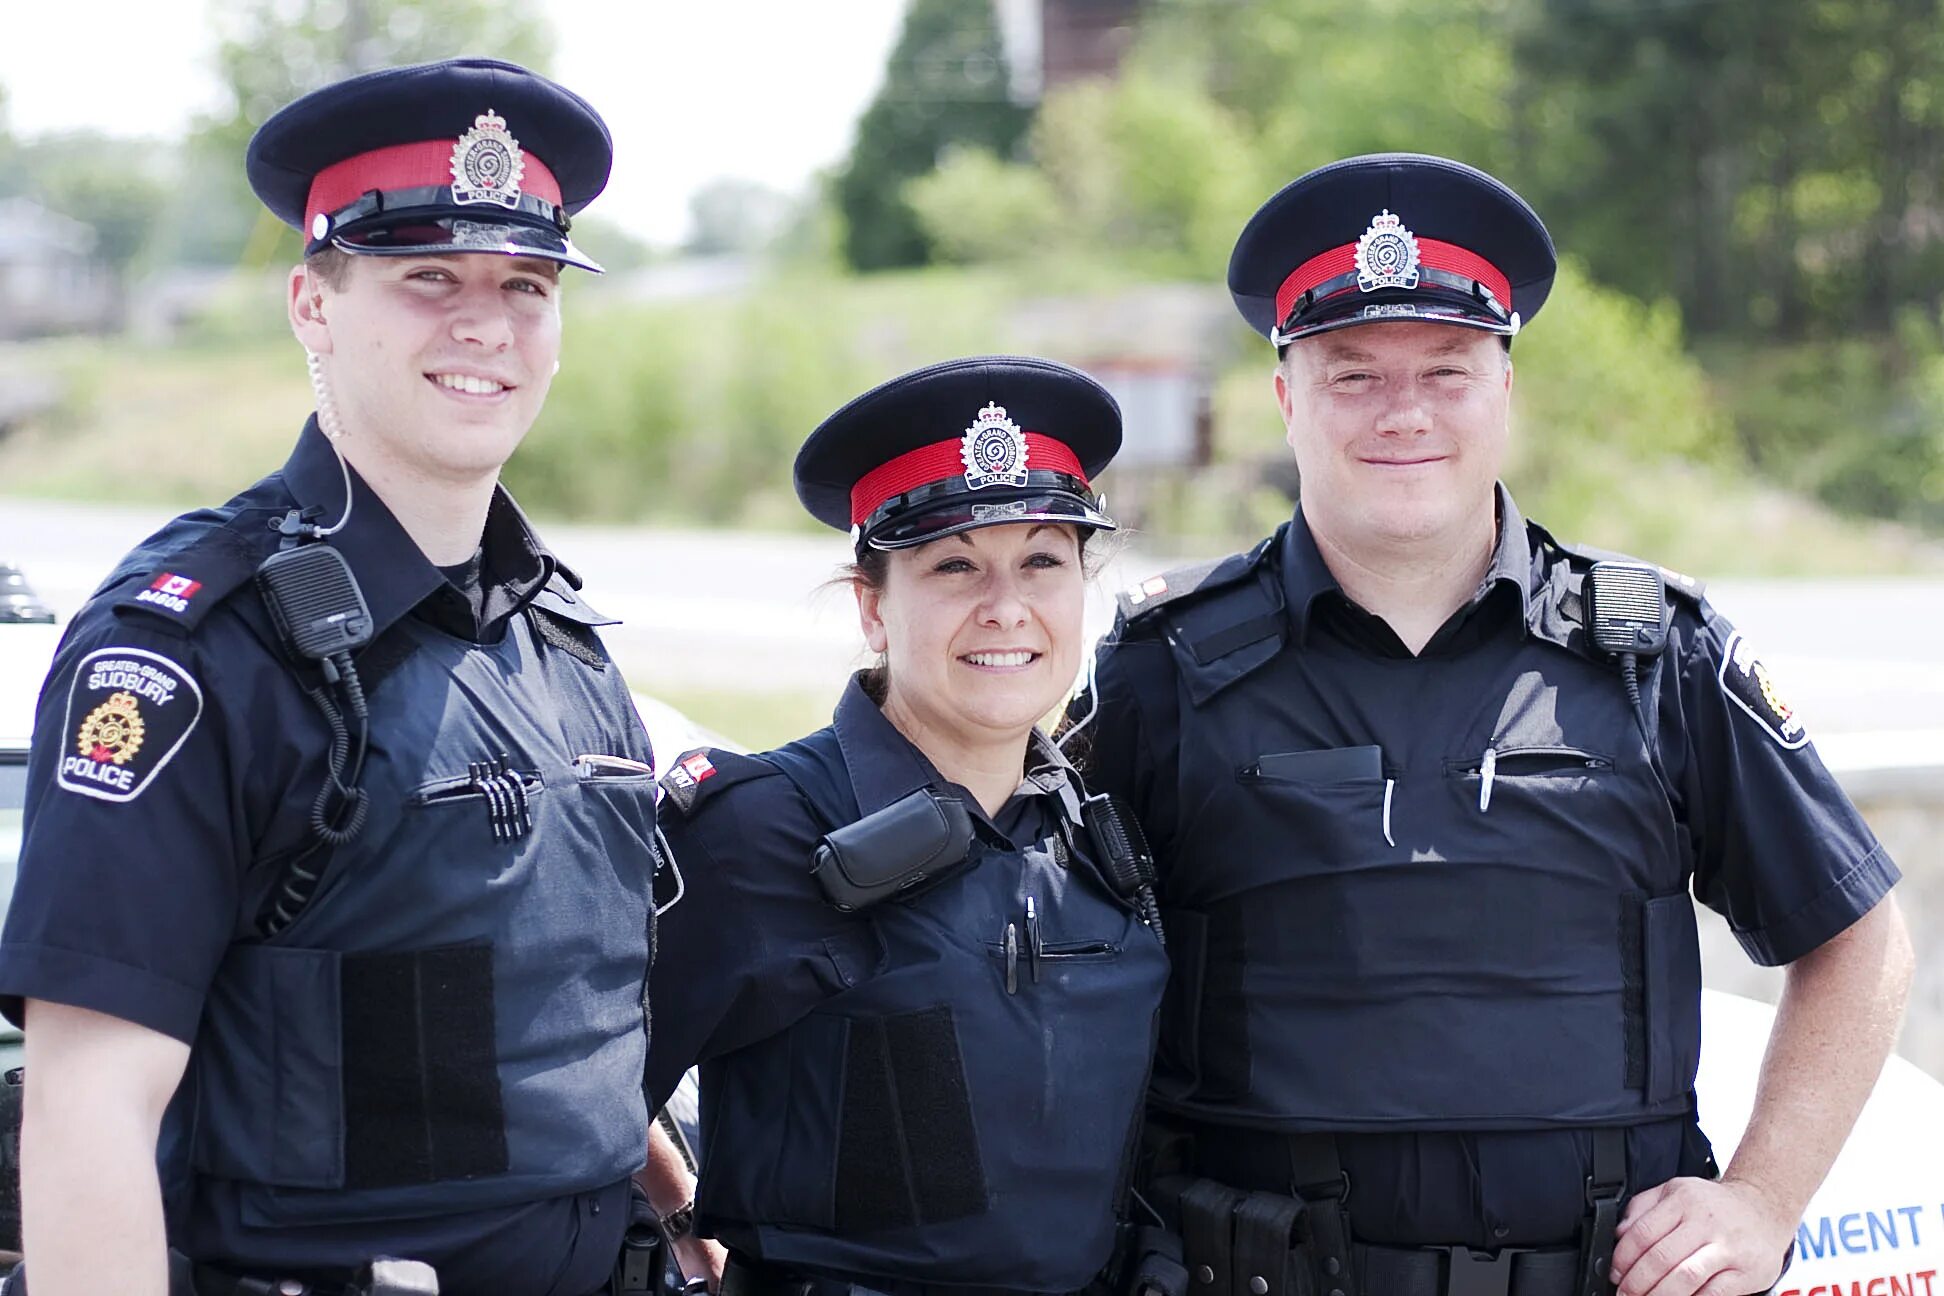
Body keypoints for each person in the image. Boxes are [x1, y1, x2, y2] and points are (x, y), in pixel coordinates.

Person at [1067, 154, 1915, 1296]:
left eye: (1449, 371)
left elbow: (1860, 938)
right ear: (1286, 396)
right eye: (1354, 373)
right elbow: (1024, 970)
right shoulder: (1162, 673)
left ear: (1506, 386)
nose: (1404, 412)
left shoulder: (1656, 653)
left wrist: (1761, 1200)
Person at [0, 59, 664, 1296]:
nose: (485, 325)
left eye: (526, 285)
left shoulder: (564, 638)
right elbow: (90, 1104)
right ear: (312, 304)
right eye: (428, 279)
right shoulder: (194, 651)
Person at [638, 357, 1176, 1296]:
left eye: (1043, 560)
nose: (1005, 605)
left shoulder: (1099, 838)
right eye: (955, 564)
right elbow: (582, 1087)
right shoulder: (764, 830)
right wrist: (682, 1218)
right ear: (873, 606)